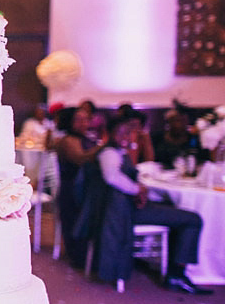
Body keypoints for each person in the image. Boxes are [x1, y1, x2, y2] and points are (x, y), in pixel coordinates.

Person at [95, 114, 210, 294]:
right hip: (124, 214)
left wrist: (140, 190)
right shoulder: (109, 153)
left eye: (128, 134)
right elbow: (112, 177)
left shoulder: (119, 151)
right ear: (109, 133)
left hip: (127, 208)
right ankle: (177, 274)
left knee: (177, 212)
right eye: (121, 133)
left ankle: (175, 269)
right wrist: (137, 190)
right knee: (193, 219)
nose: (125, 137)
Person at [55, 106, 107, 269]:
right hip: (72, 191)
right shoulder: (67, 141)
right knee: (77, 223)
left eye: (86, 119)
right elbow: (80, 159)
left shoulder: (83, 138)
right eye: (79, 119)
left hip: (84, 188)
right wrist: (104, 145)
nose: (84, 123)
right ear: (69, 122)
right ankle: (80, 257)